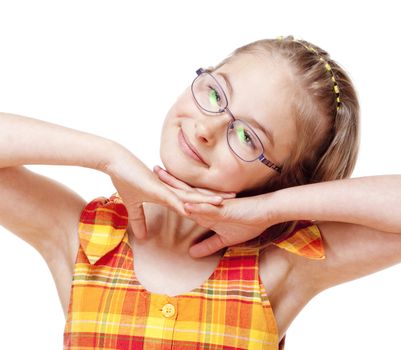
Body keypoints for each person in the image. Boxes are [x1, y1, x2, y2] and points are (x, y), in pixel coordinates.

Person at [2, 35, 391, 349]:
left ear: (281, 180)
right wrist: (108, 157)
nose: (207, 128)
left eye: (246, 137)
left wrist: (270, 209)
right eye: (215, 94)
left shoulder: (280, 269)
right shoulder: (87, 240)